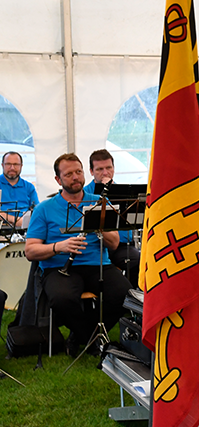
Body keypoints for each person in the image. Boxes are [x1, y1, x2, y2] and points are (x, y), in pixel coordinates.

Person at [25, 153, 131, 355]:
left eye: (78, 172)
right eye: (68, 174)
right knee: (62, 298)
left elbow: (115, 243)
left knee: (124, 295)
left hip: (97, 265)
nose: (75, 177)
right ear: (58, 179)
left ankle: (80, 337)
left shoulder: (99, 202)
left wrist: (101, 229)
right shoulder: (44, 209)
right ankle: (94, 342)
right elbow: (30, 250)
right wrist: (59, 247)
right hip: (59, 268)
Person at [84, 149, 141, 285]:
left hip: (119, 246)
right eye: (99, 169)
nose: (105, 173)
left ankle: (132, 299)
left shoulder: (124, 193)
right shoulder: (84, 194)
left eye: (108, 168)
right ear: (91, 172)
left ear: (114, 169)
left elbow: (128, 228)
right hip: (95, 247)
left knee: (138, 261)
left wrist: (112, 192)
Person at [0, 151, 39, 228]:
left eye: (16, 164)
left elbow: (38, 212)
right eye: (8, 164)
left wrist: (4, 215)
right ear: (2, 165)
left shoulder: (29, 187)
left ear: (21, 166)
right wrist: (17, 220)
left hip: (26, 229)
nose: (12, 168)